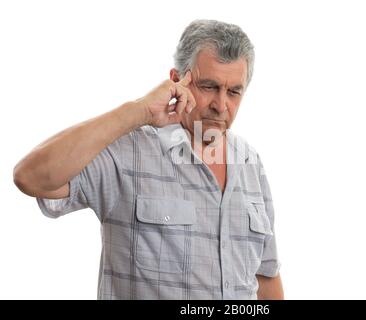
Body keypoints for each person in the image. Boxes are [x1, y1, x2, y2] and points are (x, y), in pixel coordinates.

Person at [13, 19, 283, 300]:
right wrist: (139, 110)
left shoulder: (250, 162)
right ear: (178, 80)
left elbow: (266, 276)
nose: (221, 105)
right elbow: (30, 176)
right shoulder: (128, 152)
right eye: (208, 86)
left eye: (234, 91)